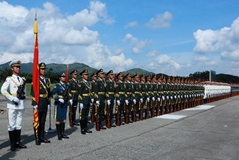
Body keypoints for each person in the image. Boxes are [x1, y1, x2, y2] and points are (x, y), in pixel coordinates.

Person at [1, 60, 27, 151]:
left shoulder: (22, 79)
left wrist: (24, 102)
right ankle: (12, 144)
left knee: (19, 124)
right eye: (16, 67)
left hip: (20, 104)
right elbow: (3, 90)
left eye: (19, 67)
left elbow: (25, 93)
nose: (18, 68)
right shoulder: (9, 79)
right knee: (11, 124)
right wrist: (12, 98)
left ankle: (18, 142)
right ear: (12, 68)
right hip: (12, 104)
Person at [31, 62, 51, 145]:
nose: (43, 70)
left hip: (45, 102)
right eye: (42, 69)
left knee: (43, 120)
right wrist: (34, 103)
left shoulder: (47, 80)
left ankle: (42, 136)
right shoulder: (36, 80)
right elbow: (32, 93)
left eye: (44, 69)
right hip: (38, 102)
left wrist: (49, 102)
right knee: (37, 121)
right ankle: (37, 137)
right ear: (39, 70)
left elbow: (49, 92)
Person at [51, 72, 69, 140]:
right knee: (58, 119)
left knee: (63, 118)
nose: (64, 78)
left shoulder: (66, 85)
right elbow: (52, 94)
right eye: (62, 77)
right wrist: (58, 99)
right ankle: (59, 134)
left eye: (64, 77)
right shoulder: (57, 85)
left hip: (64, 103)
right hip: (59, 103)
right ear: (59, 78)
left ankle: (62, 133)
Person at [78, 69, 93, 134]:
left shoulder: (88, 83)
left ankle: (86, 128)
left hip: (88, 100)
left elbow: (90, 92)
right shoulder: (81, 83)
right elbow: (79, 93)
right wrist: (80, 102)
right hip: (83, 101)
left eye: (87, 74)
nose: (87, 76)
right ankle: (82, 129)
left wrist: (91, 98)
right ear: (82, 76)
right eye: (85, 75)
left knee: (86, 115)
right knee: (82, 116)